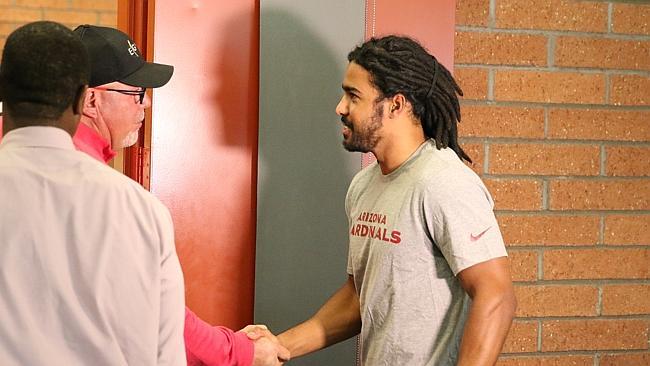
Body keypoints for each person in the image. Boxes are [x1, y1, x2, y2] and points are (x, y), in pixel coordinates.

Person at [277, 35, 517, 365]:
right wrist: (278, 347)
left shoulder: (443, 181)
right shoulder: (363, 186)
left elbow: (496, 294)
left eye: (353, 96)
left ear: (396, 104)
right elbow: (358, 299)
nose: (340, 107)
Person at [71, 24, 288, 366]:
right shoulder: (104, 197)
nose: (146, 104)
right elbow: (155, 312)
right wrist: (240, 351)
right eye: (136, 93)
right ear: (91, 100)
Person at [0, 21, 185, 365]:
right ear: (81, 100)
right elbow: (168, 353)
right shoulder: (141, 210)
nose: (144, 104)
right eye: (137, 93)